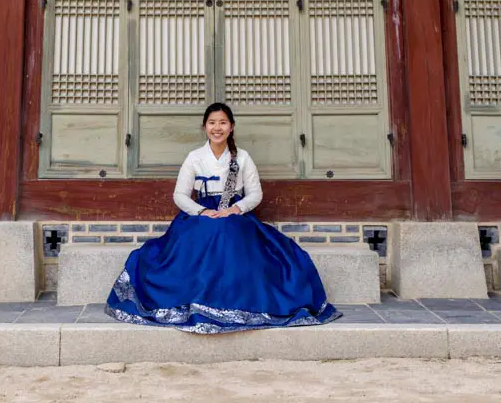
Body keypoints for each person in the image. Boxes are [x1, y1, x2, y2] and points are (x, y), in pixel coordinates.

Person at [105, 102, 341, 333]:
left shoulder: (243, 158)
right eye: (212, 123)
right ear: (204, 126)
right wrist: (201, 211)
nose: (217, 128)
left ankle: (235, 300)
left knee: (231, 233)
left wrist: (235, 209)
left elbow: (255, 194)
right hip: (200, 213)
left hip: (235, 213)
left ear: (232, 127)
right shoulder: (195, 157)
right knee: (206, 232)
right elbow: (180, 194)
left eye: (222, 123)